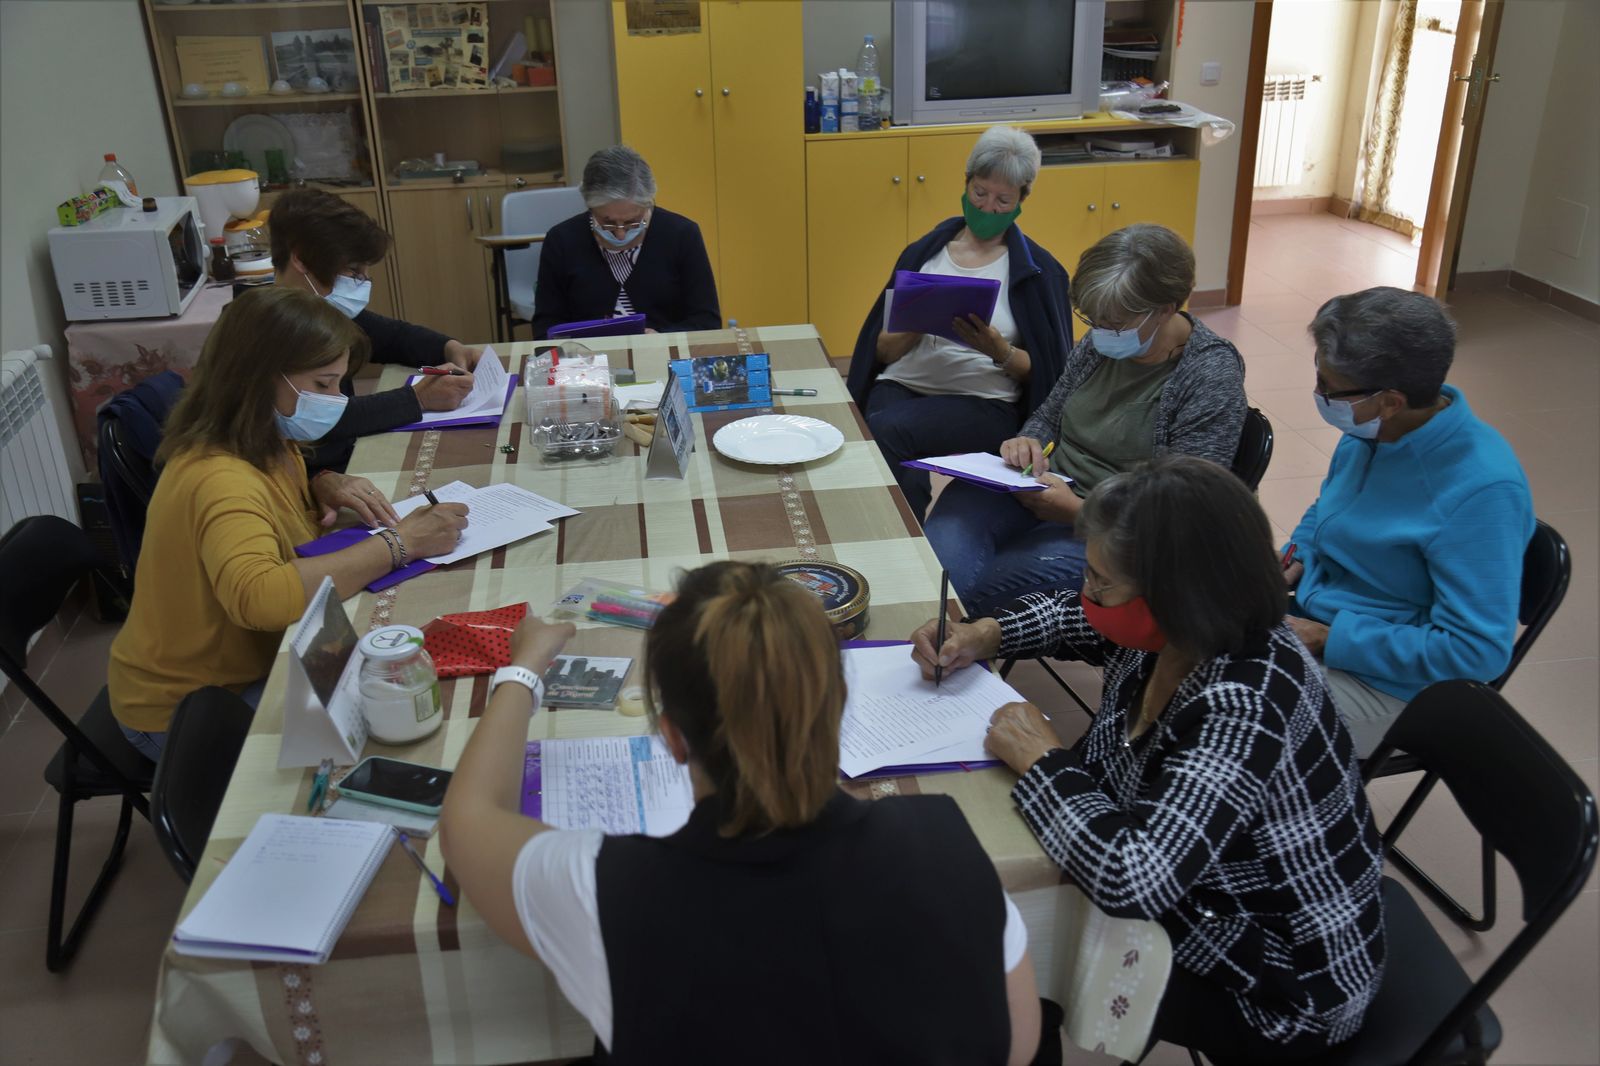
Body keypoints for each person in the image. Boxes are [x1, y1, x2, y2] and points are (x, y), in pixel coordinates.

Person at [440, 561, 1045, 1066]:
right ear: (835, 709)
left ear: (674, 737)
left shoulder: (606, 889)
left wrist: (523, 670)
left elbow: (465, 818)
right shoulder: (947, 844)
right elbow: (1017, 1047)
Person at [911, 456, 1385, 1062]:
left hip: (1277, 981)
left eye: (1102, 583)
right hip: (1202, 896)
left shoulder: (1247, 702)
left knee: (1015, 965)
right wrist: (988, 633)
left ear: (1176, 595)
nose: (1088, 594)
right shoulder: (1186, 627)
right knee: (1006, 915)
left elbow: (1133, 880)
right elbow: (1077, 619)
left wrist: (1043, 760)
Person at [108, 287, 469, 759]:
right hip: (190, 705)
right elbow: (262, 598)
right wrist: (401, 544)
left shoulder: (267, 441)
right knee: (395, 731)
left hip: (246, 664)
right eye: (322, 385)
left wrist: (321, 484)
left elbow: (283, 532)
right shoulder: (218, 476)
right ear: (257, 378)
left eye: (339, 384)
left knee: (406, 682)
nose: (336, 401)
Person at [923, 223, 1247, 614]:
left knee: (984, 591)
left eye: (1114, 323)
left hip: (1115, 531)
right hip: (1040, 490)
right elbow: (1049, 414)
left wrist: (1080, 512)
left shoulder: (1208, 375)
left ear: (1166, 308)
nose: (1100, 333)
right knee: (939, 555)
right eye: (1093, 320)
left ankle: (950, 651)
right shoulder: (1103, 343)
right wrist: (1027, 441)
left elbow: (1183, 512)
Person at [1284, 287, 1534, 757]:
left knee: (1230, 715)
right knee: (1181, 644)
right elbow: (1328, 508)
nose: (1319, 396)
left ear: (1390, 401)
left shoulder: (1481, 491)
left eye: (1328, 388)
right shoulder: (1370, 431)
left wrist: (1331, 638)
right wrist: (1298, 555)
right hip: (1322, 622)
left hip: (1395, 687)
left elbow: (1475, 652)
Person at [847, 124, 1073, 519]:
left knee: (887, 431)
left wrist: (998, 350)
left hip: (983, 400)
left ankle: (900, 535)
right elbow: (881, 349)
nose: (988, 208)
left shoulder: (1039, 272)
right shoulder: (925, 253)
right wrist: (919, 320)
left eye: (1003, 200)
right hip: (905, 381)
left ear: (1023, 199)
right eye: (980, 193)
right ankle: (900, 524)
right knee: (874, 427)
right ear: (966, 183)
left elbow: (1051, 375)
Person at [269, 188, 482, 485]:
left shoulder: (322, 309)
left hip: (337, 466)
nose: (363, 283)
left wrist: (448, 347)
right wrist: (417, 399)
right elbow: (318, 416)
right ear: (302, 259)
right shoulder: (263, 331)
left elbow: (389, 335)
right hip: (311, 479)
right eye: (354, 271)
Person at [530, 145, 720, 338]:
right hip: (585, 363)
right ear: (590, 207)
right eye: (607, 222)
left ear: (648, 203)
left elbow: (707, 322)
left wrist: (662, 336)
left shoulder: (682, 235)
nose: (620, 234)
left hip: (663, 357)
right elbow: (545, 327)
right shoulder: (562, 240)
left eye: (632, 222)